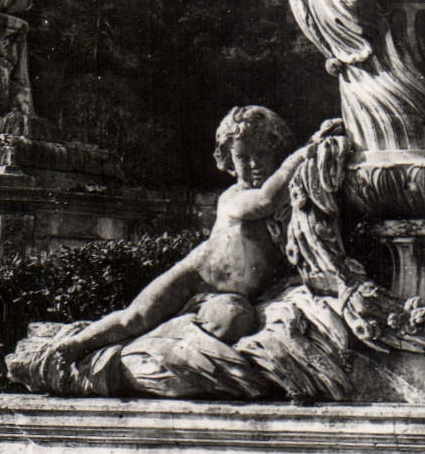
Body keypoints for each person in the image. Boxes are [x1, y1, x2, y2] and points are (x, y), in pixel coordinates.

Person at [55, 106, 296, 361]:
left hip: (232, 295)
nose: (254, 164)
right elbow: (265, 200)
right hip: (196, 274)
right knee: (136, 317)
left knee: (233, 321)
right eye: (243, 157)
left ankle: (160, 344)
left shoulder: (290, 202)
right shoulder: (233, 197)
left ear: (276, 152)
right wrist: (299, 157)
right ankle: (78, 344)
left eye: (262, 154)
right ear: (228, 160)